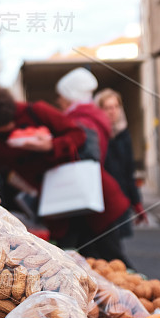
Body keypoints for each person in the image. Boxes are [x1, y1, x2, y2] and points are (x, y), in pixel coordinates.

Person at [0, 83, 131, 264]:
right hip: (58, 207)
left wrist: (51, 146)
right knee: (69, 263)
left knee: (112, 258)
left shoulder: (36, 111)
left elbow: (78, 135)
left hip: (90, 195)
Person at [53, 68, 133, 264]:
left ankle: (138, 292)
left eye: (61, 95)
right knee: (94, 258)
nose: (58, 101)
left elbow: (87, 157)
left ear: (71, 96)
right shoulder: (89, 118)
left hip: (86, 199)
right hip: (90, 199)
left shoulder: (82, 120)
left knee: (110, 258)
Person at [95, 88, 148, 236]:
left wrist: (137, 203)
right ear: (99, 110)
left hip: (121, 199)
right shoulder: (96, 134)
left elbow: (128, 172)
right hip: (102, 202)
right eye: (107, 108)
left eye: (116, 107)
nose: (113, 111)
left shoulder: (124, 134)